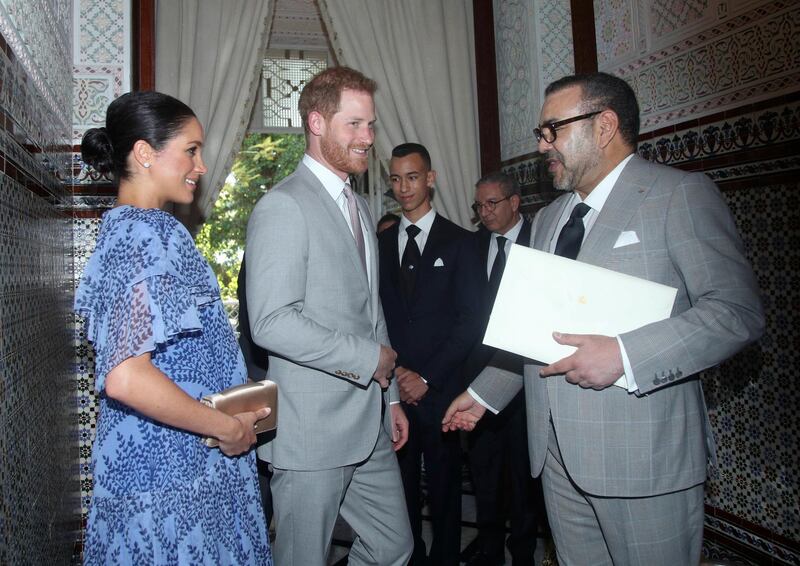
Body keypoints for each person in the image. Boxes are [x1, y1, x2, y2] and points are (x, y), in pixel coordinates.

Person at [443, 72, 764, 566]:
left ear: (605, 124)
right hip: (555, 461)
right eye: (540, 133)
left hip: (644, 461)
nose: (542, 145)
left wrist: (624, 355)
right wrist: (486, 394)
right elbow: (537, 334)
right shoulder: (548, 219)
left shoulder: (677, 196)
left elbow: (736, 314)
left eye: (553, 129)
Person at [75, 91, 272, 565]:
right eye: (191, 149)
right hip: (168, 482)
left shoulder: (129, 230)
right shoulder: (146, 233)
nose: (201, 166)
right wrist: (226, 427)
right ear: (144, 153)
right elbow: (127, 377)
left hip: (166, 471)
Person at [244, 67, 413, 566]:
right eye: (354, 125)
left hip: (370, 421)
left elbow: (370, 306)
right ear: (316, 122)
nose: (367, 138)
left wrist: (392, 397)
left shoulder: (360, 206)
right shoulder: (282, 206)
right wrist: (368, 359)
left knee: (393, 547)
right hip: (310, 430)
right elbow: (271, 321)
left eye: (371, 126)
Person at [378, 143, 485, 566]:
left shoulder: (461, 242)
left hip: (442, 392)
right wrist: (398, 373)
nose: (404, 187)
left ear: (431, 178)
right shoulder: (380, 245)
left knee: (444, 492)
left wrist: (427, 377)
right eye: (396, 178)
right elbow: (376, 314)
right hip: (392, 388)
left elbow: (471, 321)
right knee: (397, 492)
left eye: (412, 177)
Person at [460, 172, 540, 566]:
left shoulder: (542, 241)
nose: (485, 212)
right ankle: (489, 553)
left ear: (515, 202)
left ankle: (523, 554)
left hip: (527, 384)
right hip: (477, 385)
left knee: (524, 480)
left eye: (492, 203)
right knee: (485, 477)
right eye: (479, 205)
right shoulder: (471, 247)